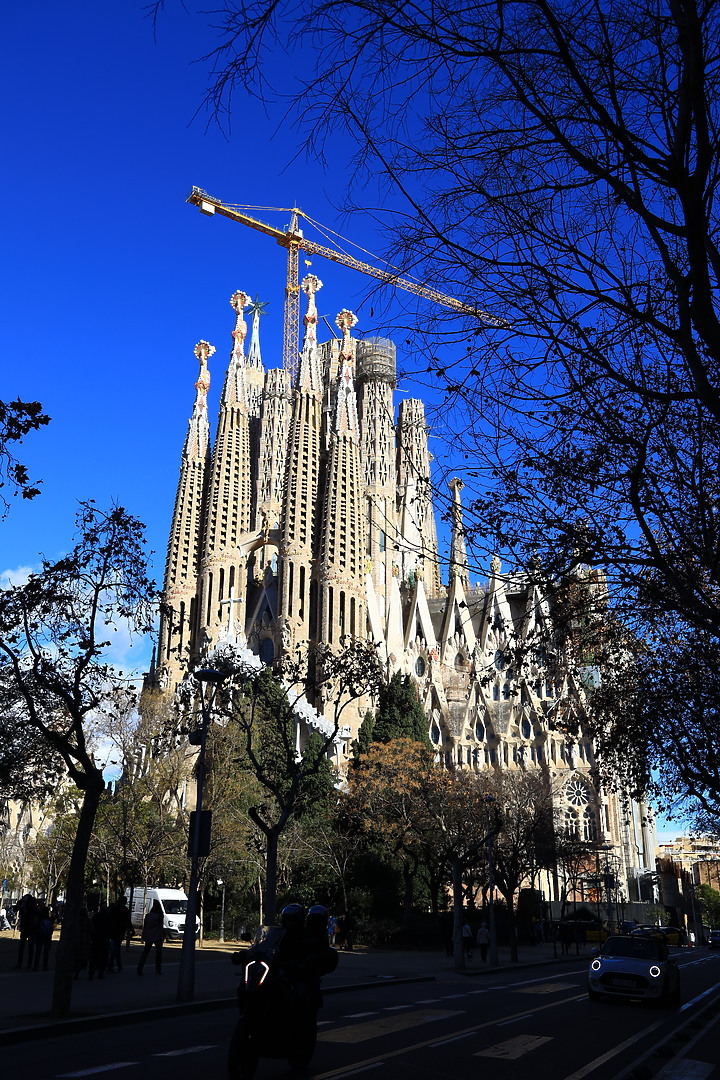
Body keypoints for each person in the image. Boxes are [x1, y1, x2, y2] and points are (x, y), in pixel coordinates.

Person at [137, 899, 164, 975]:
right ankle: (158, 969)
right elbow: (160, 927)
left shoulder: (148, 916)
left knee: (145, 952)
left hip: (149, 935)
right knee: (158, 953)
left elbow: (145, 926)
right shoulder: (160, 916)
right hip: (157, 936)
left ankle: (140, 967)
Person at [107, 896, 133, 973]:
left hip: (112, 930)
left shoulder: (114, 908)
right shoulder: (124, 910)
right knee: (116, 948)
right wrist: (131, 930)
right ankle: (111, 965)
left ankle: (119, 965)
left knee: (117, 948)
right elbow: (128, 921)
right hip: (120, 931)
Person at [14, 893, 38, 970]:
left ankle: (23, 964)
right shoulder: (30, 904)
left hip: (28, 927)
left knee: (24, 946)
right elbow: (16, 908)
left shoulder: (31, 904)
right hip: (28, 927)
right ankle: (27, 964)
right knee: (27, 947)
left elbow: (16, 908)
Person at [33, 904, 54, 971]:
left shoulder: (40, 921)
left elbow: (36, 929)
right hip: (47, 938)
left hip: (40, 937)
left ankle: (36, 966)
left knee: (38, 952)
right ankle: (45, 966)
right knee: (46, 953)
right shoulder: (49, 921)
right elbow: (51, 930)